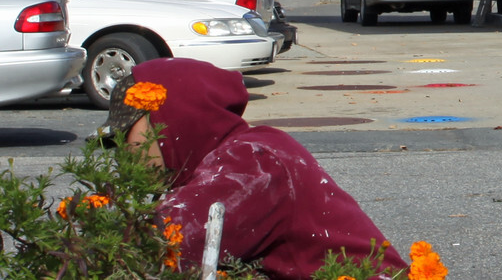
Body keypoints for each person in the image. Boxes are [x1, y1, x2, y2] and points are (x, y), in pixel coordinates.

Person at [104, 58, 409, 280]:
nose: (119, 150)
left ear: (171, 120)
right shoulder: (236, 156)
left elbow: (152, 248)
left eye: (124, 133)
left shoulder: (252, 160)